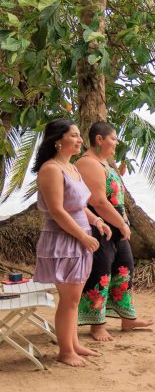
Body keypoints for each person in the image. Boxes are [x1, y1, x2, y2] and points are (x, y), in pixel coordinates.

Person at [32, 118, 112, 367]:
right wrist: (83, 235)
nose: (80, 140)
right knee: (68, 299)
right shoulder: (51, 169)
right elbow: (57, 211)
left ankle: (74, 343)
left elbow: (78, 206)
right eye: (74, 135)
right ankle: (65, 351)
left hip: (79, 237)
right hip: (63, 239)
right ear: (58, 141)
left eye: (79, 135)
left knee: (75, 298)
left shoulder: (72, 167)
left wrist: (97, 221)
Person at [75, 122, 153, 341]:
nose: (116, 144)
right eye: (114, 139)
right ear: (99, 139)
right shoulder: (88, 164)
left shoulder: (105, 164)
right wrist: (121, 224)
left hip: (116, 225)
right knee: (101, 273)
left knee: (124, 269)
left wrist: (122, 223)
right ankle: (96, 325)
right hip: (99, 226)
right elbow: (98, 202)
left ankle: (128, 318)